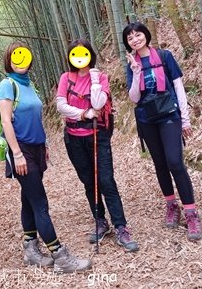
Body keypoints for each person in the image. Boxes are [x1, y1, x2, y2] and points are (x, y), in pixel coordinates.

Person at [0, 41, 92, 272]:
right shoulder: (7, 85)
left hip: (36, 149)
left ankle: (30, 249)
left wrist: (45, 144)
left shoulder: (29, 85)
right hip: (21, 150)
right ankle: (60, 257)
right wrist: (17, 154)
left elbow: (35, 119)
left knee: (29, 198)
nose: (20, 60)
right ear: (9, 60)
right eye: (15, 56)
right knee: (40, 203)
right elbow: (6, 120)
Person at [55, 39, 139, 252]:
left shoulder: (101, 77)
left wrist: (93, 80)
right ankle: (100, 220)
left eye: (83, 53)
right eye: (75, 54)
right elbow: (60, 106)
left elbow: (99, 103)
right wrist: (83, 113)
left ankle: (121, 226)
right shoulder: (66, 78)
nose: (80, 58)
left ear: (90, 55)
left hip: (97, 135)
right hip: (74, 138)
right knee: (88, 181)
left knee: (106, 180)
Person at [122, 22, 202, 241]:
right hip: (147, 119)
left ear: (146, 35)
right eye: (130, 38)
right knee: (159, 163)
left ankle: (191, 212)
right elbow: (134, 98)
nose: (135, 39)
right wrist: (136, 73)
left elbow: (178, 87)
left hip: (169, 115)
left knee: (175, 162)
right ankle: (171, 205)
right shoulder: (132, 64)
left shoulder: (165, 56)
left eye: (138, 34)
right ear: (127, 43)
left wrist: (185, 120)